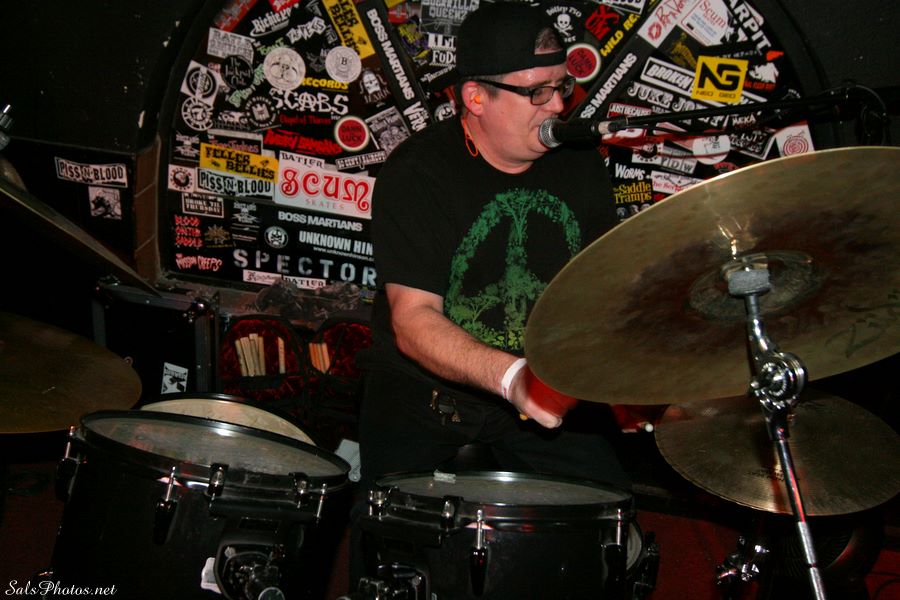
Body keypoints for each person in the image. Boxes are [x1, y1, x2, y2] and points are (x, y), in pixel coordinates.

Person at [350, 5, 630, 584]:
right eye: (536, 92)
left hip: (542, 386)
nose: (557, 106)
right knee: (388, 552)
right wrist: (512, 378)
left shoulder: (579, 163)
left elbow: (601, 288)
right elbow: (413, 322)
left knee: (608, 525)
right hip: (425, 396)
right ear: (475, 97)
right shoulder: (417, 172)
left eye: (562, 87)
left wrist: (626, 376)